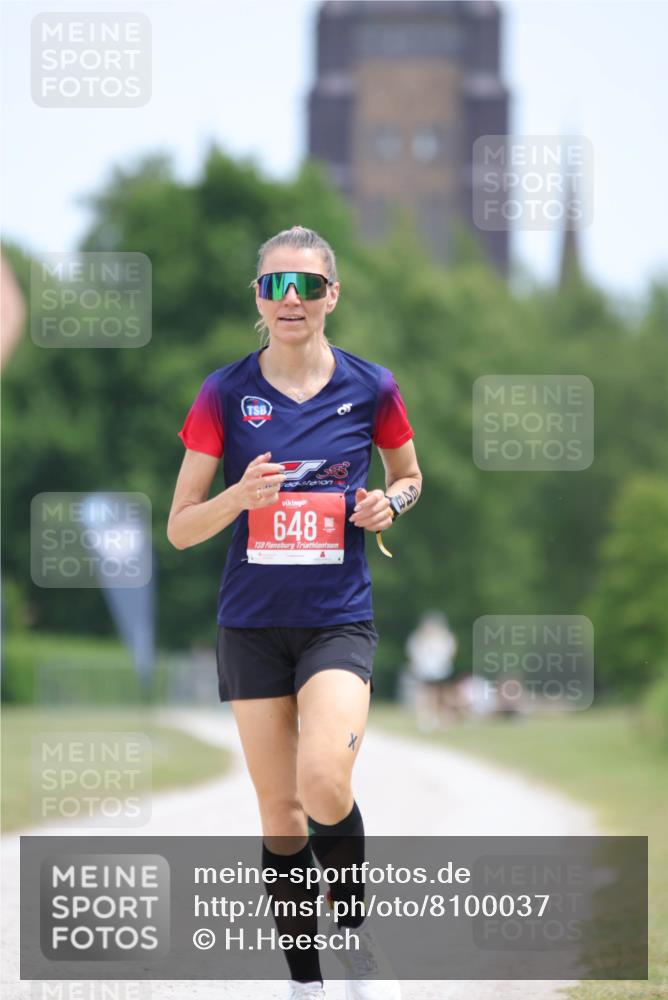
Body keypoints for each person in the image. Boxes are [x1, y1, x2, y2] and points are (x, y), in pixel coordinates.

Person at [167, 225, 422, 1000]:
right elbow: (180, 527)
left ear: (331, 296)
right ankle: (306, 985)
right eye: (275, 285)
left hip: (337, 619)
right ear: (258, 297)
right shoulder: (223, 393)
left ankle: (354, 933)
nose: (290, 300)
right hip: (250, 627)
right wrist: (238, 497)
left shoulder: (372, 387)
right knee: (280, 815)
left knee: (322, 784)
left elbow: (409, 476)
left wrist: (389, 505)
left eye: (306, 286)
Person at [406, 611, 457, 731]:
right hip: (426, 671)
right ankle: (428, 719)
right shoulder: (419, 638)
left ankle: (444, 719)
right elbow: (414, 654)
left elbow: (450, 653)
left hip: (441, 670)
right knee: (427, 695)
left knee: (443, 695)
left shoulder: (445, 638)